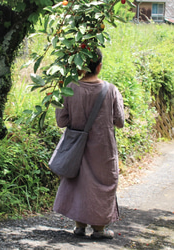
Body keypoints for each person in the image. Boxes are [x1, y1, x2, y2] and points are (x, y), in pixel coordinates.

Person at [53, 48, 124, 239]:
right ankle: (99, 230)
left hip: (76, 146)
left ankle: (79, 226)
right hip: (103, 148)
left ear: (81, 66)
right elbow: (120, 121)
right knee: (103, 184)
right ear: (99, 66)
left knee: (78, 182)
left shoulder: (69, 88)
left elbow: (61, 121)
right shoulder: (111, 90)